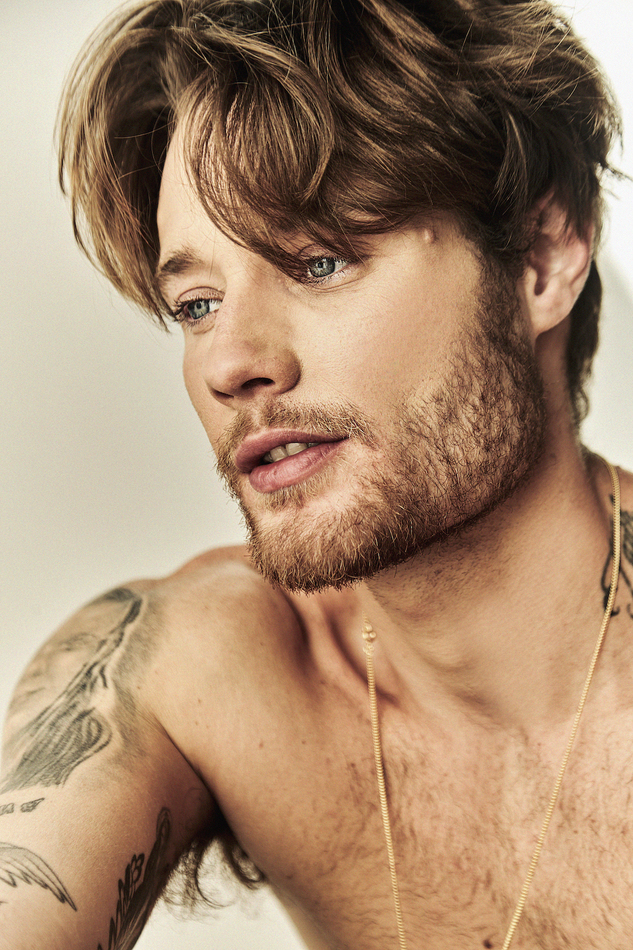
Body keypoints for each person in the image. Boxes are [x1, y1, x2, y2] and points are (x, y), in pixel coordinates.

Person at [1, 0, 631, 947]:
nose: (229, 363)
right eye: (198, 303)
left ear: (541, 260)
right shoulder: (210, 671)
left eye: (319, 260)